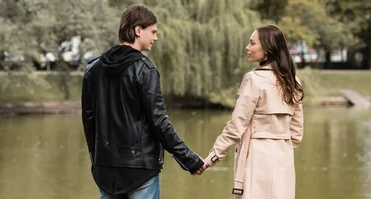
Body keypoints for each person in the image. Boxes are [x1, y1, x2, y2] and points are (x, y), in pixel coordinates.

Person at [81, 4, 208, 199]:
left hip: (105, 169)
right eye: (153, 32)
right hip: (141, 171)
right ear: (138, 30)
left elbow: (89, 122)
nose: (156, 37)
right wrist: (189, 159)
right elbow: (159, 122)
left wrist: (98, 160)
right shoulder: (145, 70)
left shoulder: (93, 69)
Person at [202, 25, 304, 199]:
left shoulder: (254, 79)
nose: (247, 48)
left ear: (267, 48)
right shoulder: (293, 81)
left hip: (256, 158)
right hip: (283, 159)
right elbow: (296, 133)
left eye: (252, 43)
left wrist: (212, 157)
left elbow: (236, 126)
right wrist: (280, 144)